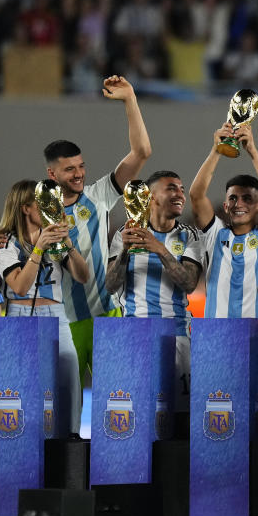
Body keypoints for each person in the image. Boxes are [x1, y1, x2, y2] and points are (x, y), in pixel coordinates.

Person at [44, 75, 152, 395]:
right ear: (52, 174)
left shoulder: (98, 195)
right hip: (65, 323)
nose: (78, 174)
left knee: (120, 400)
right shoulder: (37, 212)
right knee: (66, 413)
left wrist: (130, 100)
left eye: (81, 166)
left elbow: (142, 151)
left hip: (107, 314)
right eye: (69, 169)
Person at [0, 180, 90, 437]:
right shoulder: (5, 242)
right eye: (42, 203)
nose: (50, 207)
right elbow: (21, 287)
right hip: (19, 315)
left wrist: (67, 242)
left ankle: (70, 443)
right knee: (19, 384)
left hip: (56, 315)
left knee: (69, 381)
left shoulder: (55, 237)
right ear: (25, 208)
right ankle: (18, 441)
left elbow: (82, 275)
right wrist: (38, 248)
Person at [105, 171, 203, 408]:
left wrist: (158, 248)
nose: (180, 194)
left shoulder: (190, 236)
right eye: (171, 188)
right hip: (137, 332)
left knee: (180, 411)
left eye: (181, 188)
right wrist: (126, 251)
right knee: (138, 408)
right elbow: (110, 285)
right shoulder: (123, 235)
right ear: (150, 197)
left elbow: (189, 282)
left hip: (176, 332)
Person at [189, 122, 258, 318]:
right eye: (233, 198)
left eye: (247, 198)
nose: (238, 203)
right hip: (215, 333)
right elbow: (196, 195)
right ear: (225, 206)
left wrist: (252, 152)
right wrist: (217, 150)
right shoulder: (215, 234)